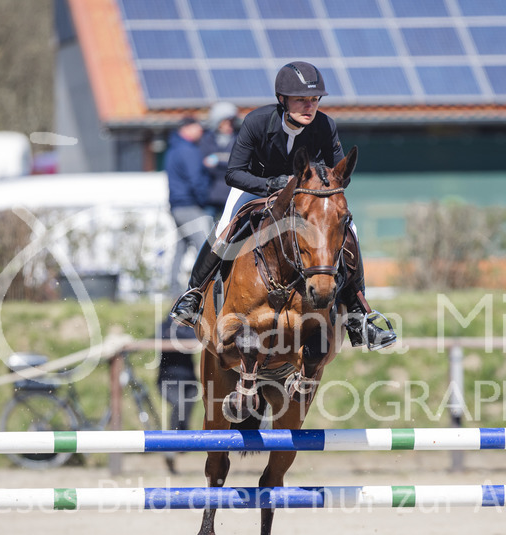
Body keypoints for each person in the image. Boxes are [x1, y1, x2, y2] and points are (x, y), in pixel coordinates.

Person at [169, 62, 397, 351]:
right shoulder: (257, 122)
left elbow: (337, 176)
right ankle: (193, 296)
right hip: (255, 187)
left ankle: (358, 315)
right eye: (301, 99)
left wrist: (316, 189)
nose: (309, 106)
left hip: (304, 195)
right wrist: (272, 184)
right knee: (225, 226)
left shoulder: (325, 125)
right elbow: (233, 173)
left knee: (350, 229)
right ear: (282, 99)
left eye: (314, 100)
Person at [165, 116, 213, 295]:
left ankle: (175, 294)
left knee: (181, 250)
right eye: (198, 127)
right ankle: (202, 293)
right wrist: (205, 200)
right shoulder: (188, 151)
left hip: (177, 207)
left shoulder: (173, 149)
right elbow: (196, 181)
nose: (201, 131)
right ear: (187, 128)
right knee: (205, 251)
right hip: (190, 206)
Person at [157, 314, 199, 474]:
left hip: (189, 381)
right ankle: (173, 445)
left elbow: (195, 338)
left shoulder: (190, 327)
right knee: (179, 404)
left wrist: (178, 334)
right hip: (168, 380)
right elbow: (163, 336)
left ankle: (180, 441)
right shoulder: (163, 325)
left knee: (185, 411)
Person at [200, 101, 239, 223]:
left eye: (231, 122)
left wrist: (217, 159)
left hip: (231, 193)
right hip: (211, 195)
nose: (229, 126)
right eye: (226, 122)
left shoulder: (239, 139)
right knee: (207, 231)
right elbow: (205, 164)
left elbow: (238, 163)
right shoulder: (207, 139)